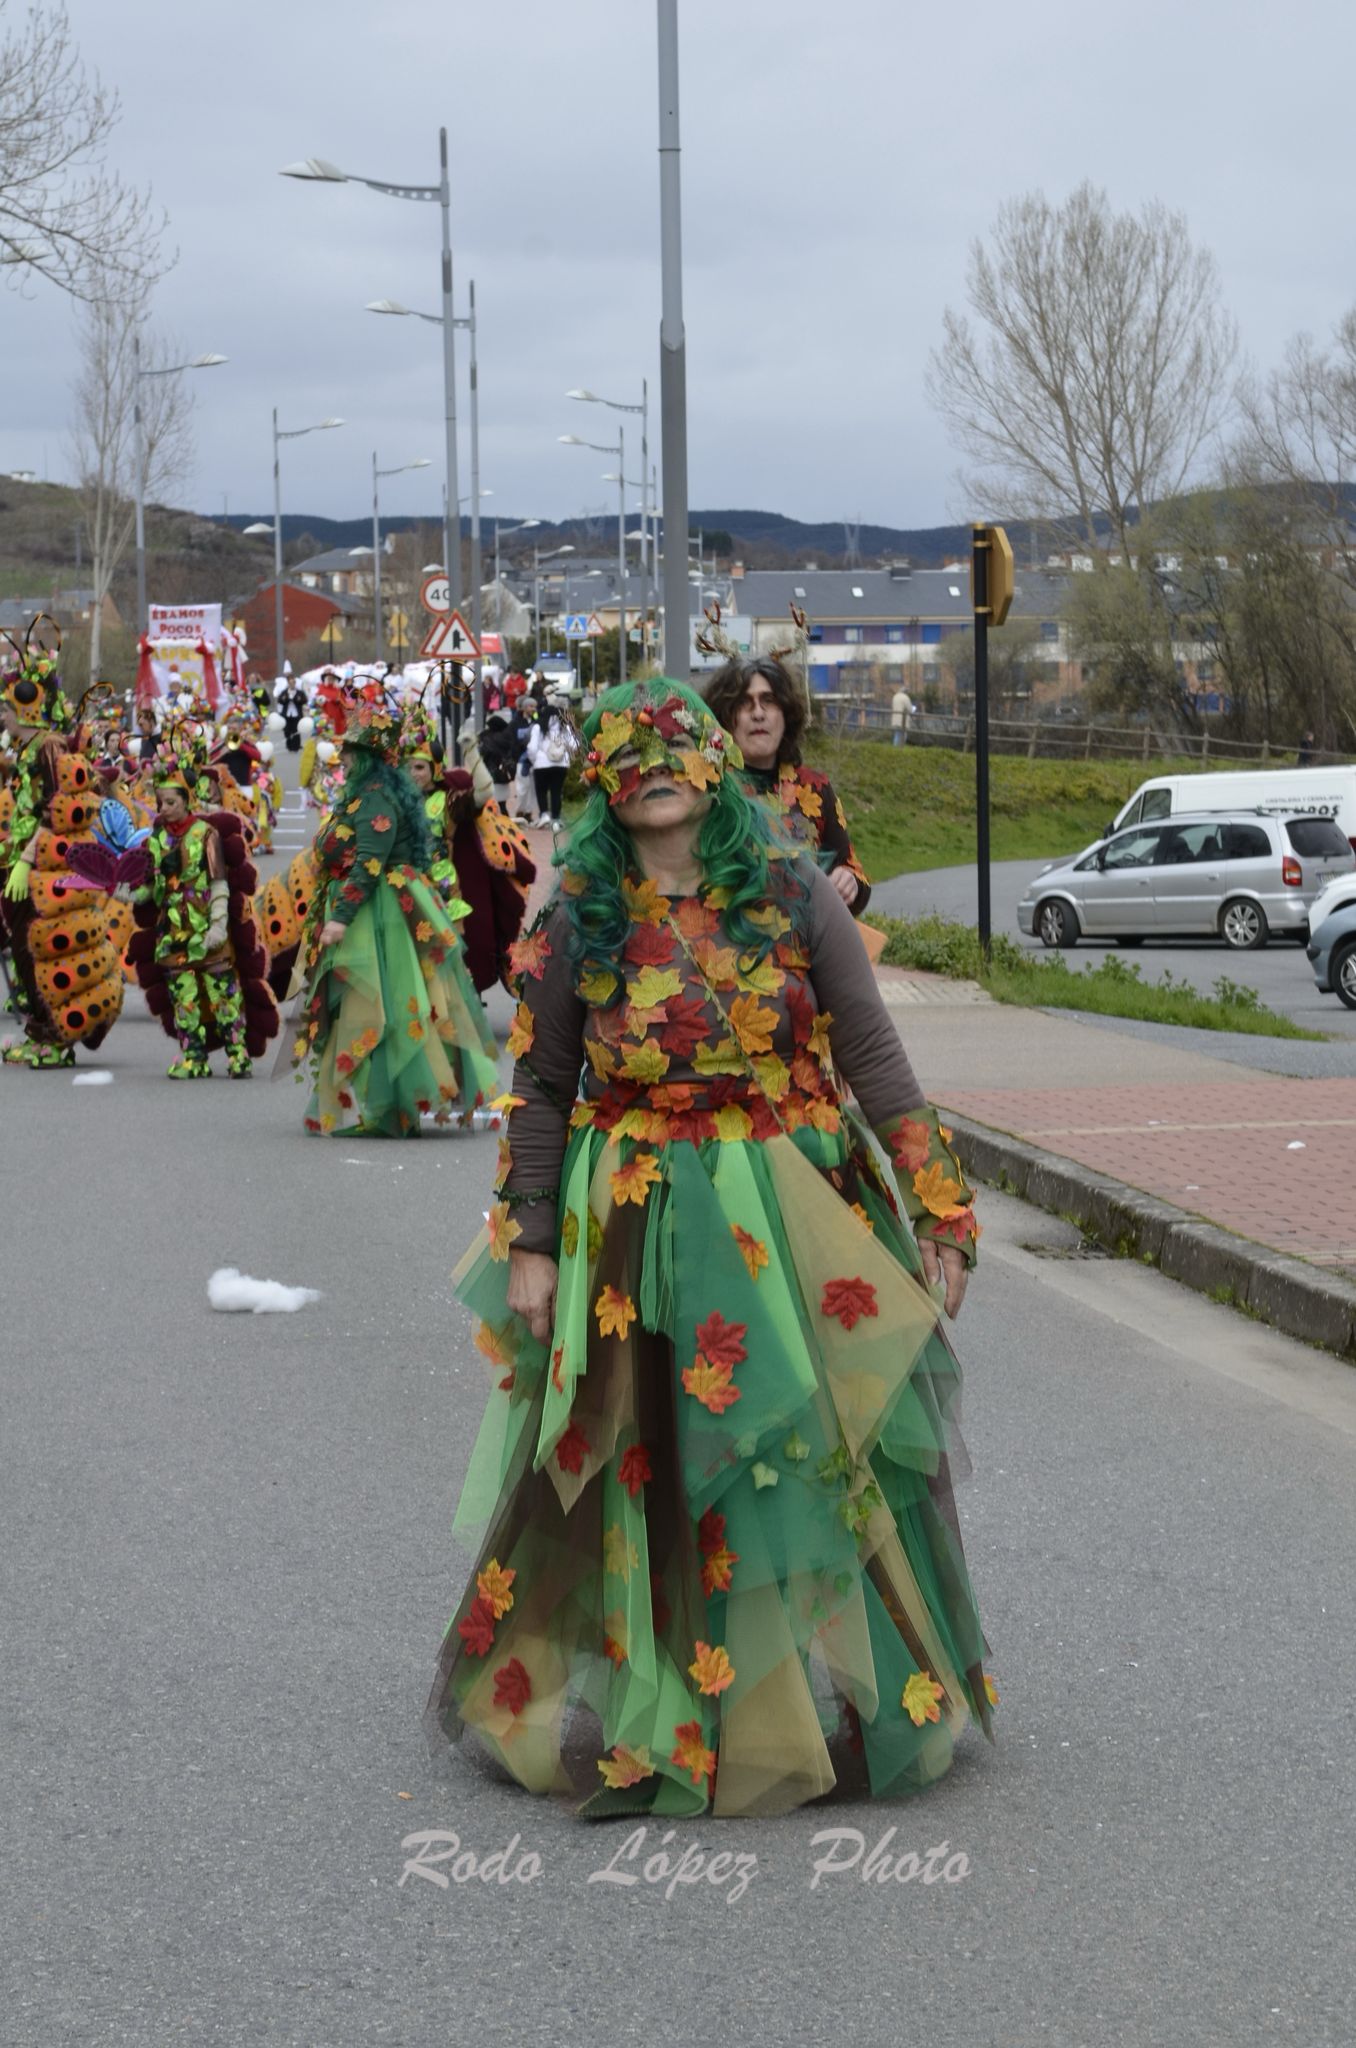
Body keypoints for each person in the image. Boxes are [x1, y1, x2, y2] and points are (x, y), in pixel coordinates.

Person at [424, 676, 989, 1819]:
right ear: (597, 780)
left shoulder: (788, 888)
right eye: (628, 755)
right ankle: (678, 1702)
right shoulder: (579, 905)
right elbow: (537, 1084)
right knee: (650, 1457)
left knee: (806, 1452)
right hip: (635, 1217)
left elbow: (874, 1053)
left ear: (715, 760)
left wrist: (939, 1209)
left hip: (797, 1205)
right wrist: (529, 1241)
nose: (656, 768)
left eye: (676, 745)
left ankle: (824, 1695)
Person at [290, 680, 500, 1136]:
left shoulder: (376, 798)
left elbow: (368, 862)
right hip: (393, 899)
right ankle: (389, 1104)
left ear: (365, 758)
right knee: (394, 1004)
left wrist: (339, 919)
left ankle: (391, 1105)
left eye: (349, 751)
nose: (342, 758)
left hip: (383, 908)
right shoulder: (379, 791)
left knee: (382, 1004)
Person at [0, 631, 125, 1068]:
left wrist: (27, 859)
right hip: (26, 866)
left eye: (5, 709)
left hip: (45, 872)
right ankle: (40, 1031)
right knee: (22, 948)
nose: (2, 717)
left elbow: (57, 810)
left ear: (25, 708)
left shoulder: (47, 747)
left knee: (41, 949)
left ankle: (53, 1036)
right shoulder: (26, 747)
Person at [128, 735, 278, 1079]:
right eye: (160, 802)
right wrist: (127, 893)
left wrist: (217, 925)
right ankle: (193, 1055)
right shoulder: (157, 838)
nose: (163, 809)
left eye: (170, 802)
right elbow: (150, 889)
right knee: (183, 996)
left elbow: (219, 884)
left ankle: (237, 1052)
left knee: (223, 993)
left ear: (187, 800)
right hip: (172, 932)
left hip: (207, 928)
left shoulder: (205, 835)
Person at [705, 655, 872, 916]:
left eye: (768, 701)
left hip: (805, 946)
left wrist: (849, 882)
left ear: (785, 714)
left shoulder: (814, 788)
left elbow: (855, 876)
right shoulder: (708, 789)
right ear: (725, 718)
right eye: (744, 703)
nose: (758, 713)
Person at [525, 694, 574, 834]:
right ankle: (556, 819)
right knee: (556, 791)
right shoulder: (565, 728)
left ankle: (544, 815)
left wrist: (535, 761)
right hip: (561, 765)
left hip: (541, 764)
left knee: (541, 790)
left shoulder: (538, 727)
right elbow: (574, 746)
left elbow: (532, 748)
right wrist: (565, 756)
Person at [277, 673, 308, 753]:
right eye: (290, 683)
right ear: (288, 683)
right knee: (287, 730)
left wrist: (298, 700)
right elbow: (280, 700)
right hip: (287, 714)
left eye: (293, 683)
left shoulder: (299, 692)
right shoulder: (284, 692)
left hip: (296, 714)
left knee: (296, 730)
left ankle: (296, 746)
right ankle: (289, 745)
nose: (292, 684)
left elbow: (304, 700)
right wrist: (286, 699)